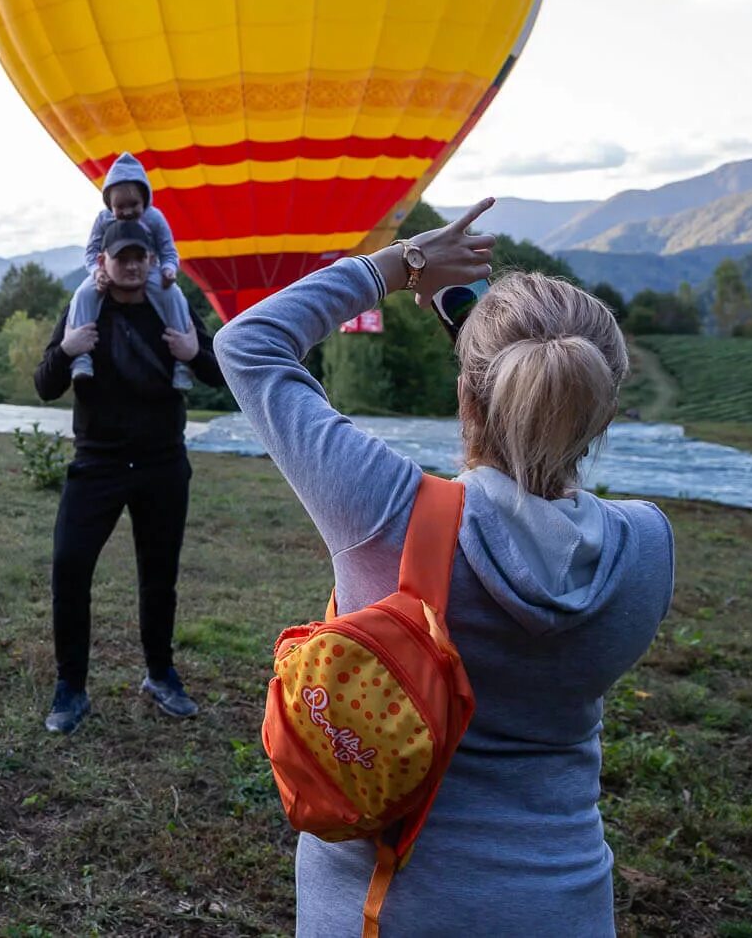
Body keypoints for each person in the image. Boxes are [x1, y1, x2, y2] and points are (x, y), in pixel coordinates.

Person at [212, 202, 675, 937]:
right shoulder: (647, 545)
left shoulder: (385, 508)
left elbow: (249, 344)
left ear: (466, 394)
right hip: (564, 902)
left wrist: (400, 264)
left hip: (383, 908)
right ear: (604, 411)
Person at [33, 219, 224, 733]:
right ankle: (70, 687)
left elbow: (218, 370)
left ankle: (160, 674)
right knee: (69, 568)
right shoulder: (84, 309)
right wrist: (69, 348)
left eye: (140, 254)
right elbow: (45, 384)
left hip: (162, 463)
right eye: (122, 256)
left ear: (151, 257)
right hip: (97, 464)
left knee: (159, 577)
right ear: (104, 261)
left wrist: (194, 353)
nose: (133, 264)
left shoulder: (172, 305)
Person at [66, 154, 203, 391]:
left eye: (134, 205)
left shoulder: (155, 218)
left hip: (150, 270)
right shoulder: (102, 219)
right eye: (120, 207)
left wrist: (169, 270)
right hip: (106, 273)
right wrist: (98, 272)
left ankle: (182, 361)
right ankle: (81, 356)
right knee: (84, 293)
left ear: (146, 200)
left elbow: (168, 250)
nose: (128, 212)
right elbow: (91, 252)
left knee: (173, 296)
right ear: (110, 205)